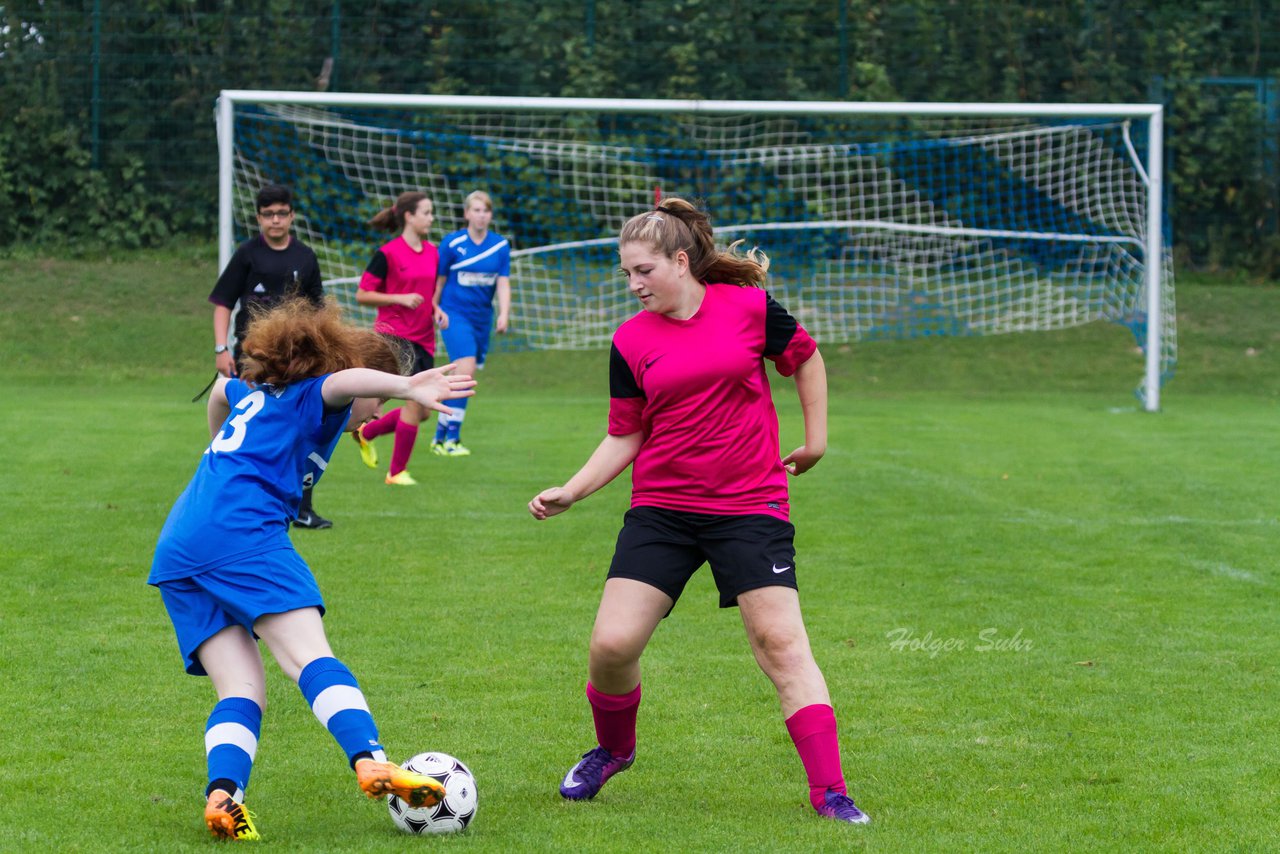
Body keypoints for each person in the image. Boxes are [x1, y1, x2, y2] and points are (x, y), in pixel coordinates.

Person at [527, 197, 870, 825]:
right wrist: (572, 490)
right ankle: (614, 749)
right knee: (611, 644)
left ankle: (831, 793)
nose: (632, 286)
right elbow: (624, 434)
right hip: (663, 508)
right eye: (625, 274)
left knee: (781, 643)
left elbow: (807, 358)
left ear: (680, 262)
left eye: (643, 272)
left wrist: (816, 440)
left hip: (749, 505)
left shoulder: (749, 308)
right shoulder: (629, 341)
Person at [149, 298, 476, 841]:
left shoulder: (259, 396)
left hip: (182, 544)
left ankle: (224, 798)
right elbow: (340, 386)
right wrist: (409, 387)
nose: (374, 416)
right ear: (359, 378)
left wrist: (213, 443)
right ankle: (371, 759)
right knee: (308, 657)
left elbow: (217, 390)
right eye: (375, 399)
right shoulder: (313, 396)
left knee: (241, 690)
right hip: (242, 533)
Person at [209, 183, 333, 529]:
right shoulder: (248, 255)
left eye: (281, 213)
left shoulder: (305, 257)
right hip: (253, 360)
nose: (275, 220)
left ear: (291, 216)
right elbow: (222, 303)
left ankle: (301, 508)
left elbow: (318, 311)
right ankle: (236, 499)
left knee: (301, 430)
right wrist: (221, 348)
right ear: (259, 218)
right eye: (268, 215)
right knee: (250, 429)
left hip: (297, 363)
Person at [350, 191, 446, 486]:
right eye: (426, 212)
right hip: (395, 338)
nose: (431, 218)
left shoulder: (433, 252)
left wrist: (436, 309)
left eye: (431, 213)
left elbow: (427, 292)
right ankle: (396, 473)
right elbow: (362, 295)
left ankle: (366, 432)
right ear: (409, 216)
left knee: (425, 411)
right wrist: (399, 299)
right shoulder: (388, 253)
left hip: (425, 338)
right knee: (415, 404)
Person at [431, 190, 511, 456]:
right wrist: (434, 307)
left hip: (481, 318)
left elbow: (503, 281)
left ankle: (439, 438)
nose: (481, 215)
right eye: (476, 210)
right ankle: (453, 439)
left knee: (458, 378)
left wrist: (504, 313)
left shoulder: (500, 246)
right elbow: (439, 281)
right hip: (454, 315)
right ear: (466, 213)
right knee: (465, 374)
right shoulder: (452, 243)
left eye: (485, 210)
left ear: (490, 215)